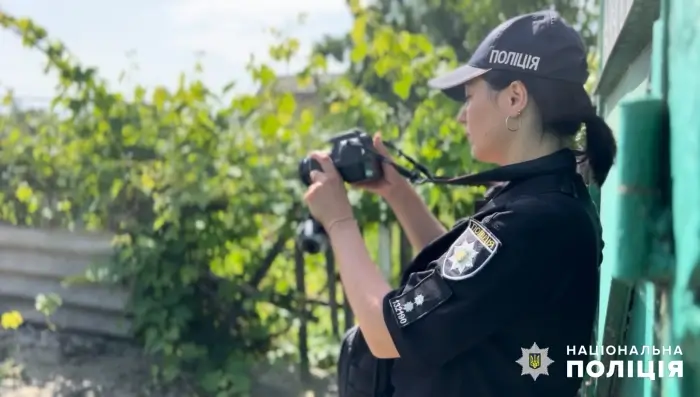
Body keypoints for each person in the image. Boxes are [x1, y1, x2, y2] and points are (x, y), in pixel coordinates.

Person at [302, 9, 616, 397]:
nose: (461, 117)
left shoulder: (530, 220)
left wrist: (338, 222)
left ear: (515, 97)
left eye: (469, 98)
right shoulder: (546, 198)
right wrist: (397, 192)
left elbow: (388, 334)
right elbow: (463, 282)